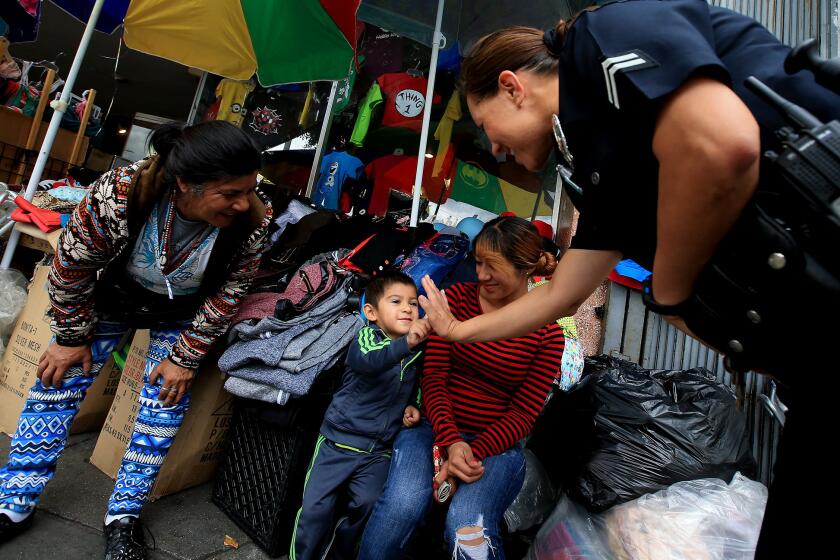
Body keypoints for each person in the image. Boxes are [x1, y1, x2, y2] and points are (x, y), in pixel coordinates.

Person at [416, 1, 839, 556]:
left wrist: (670, 293)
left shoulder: (602, 35)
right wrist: (459, 332)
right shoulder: (602, 168)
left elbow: (721, 143)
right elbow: (563, 293)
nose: (494, 149)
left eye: (485, 125)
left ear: (513, 87)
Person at [0, 121, 272, 560]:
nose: (244, 203)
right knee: (60, 378)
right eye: (230, 193)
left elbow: (231, 291)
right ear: (186, 183)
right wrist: (71, 337)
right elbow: (72, 264)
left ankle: (123, 515)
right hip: (112, 297)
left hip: (182, 311)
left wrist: (185, 358)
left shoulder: (254, 219)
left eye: (250, 189)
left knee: (166, 399)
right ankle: (14, 502)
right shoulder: (123, 192)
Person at [357, 217, 565, 560]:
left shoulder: (548, 334)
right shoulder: (452, 300)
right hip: (432, 428)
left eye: (493, 267)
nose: (480, 275)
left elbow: (524, 414)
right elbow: (434, 378)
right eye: (478, 262)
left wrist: (469, 453)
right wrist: (452, 442)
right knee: (402, 506)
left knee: (467, 527)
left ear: (524, 269)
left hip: (496, 448)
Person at [290, 271, 430, 560]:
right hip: (337, 444)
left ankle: (336, 555)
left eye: (413, 303)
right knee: (315, 509)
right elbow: (371, 362)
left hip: (378, 451)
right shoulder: (366, 338)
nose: (407, 308)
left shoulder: (417, 352)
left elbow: (416, 384)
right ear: (371, 312)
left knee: (368, 507)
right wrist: (407, 344)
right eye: (396, 301)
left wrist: (414, 405)